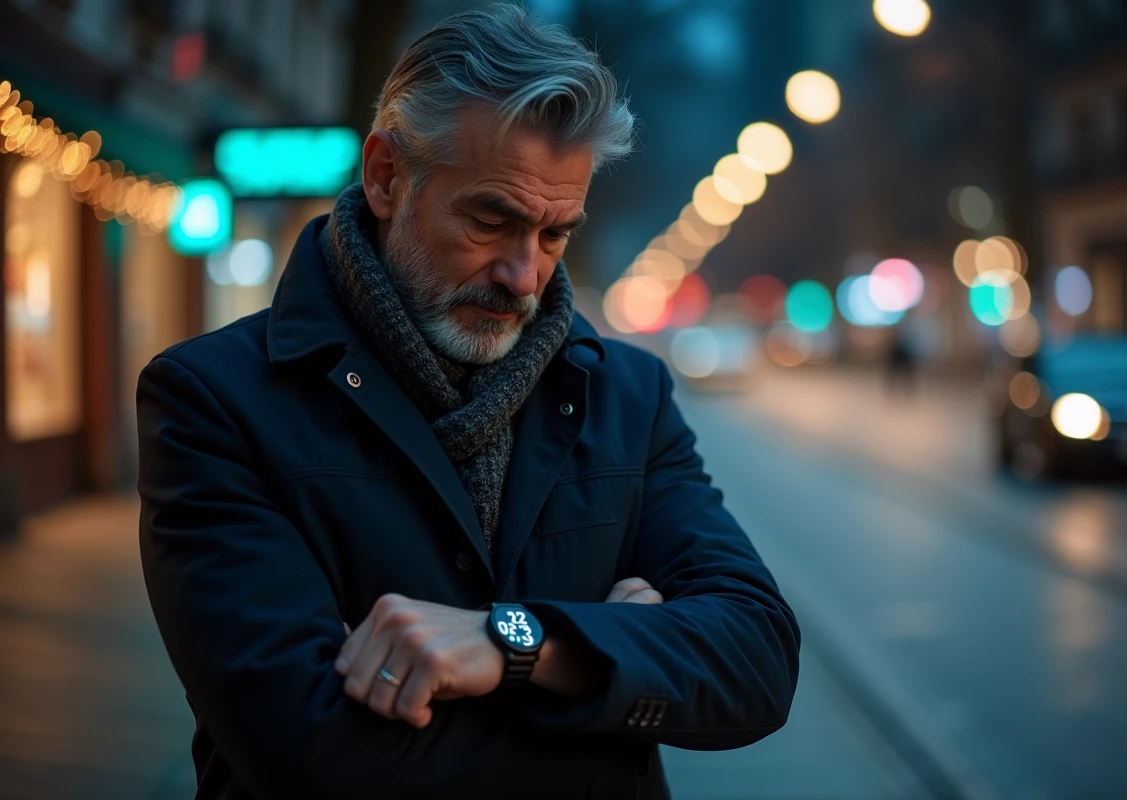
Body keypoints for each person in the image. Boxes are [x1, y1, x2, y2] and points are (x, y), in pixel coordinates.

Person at [137, 6, 799, 799]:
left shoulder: (627, 395)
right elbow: (312, 758)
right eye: (493, 219)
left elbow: (757, 661)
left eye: (556, 235)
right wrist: (617, 670)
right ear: (387, 176)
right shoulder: (216, 400)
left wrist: (517, 645)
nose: (524, 273)